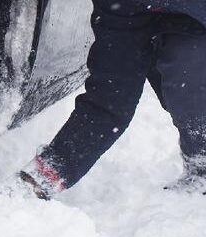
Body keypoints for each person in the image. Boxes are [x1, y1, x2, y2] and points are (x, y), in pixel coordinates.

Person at [19, 0, 206, 200]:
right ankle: (202, 165)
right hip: (177, 33)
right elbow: (109, 100)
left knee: (192, 64)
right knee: (186, 70)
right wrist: (43, 177)